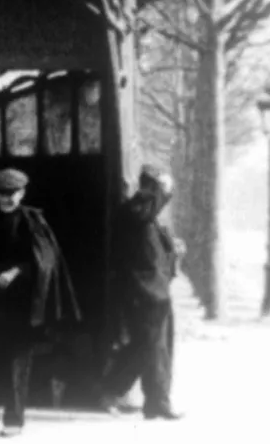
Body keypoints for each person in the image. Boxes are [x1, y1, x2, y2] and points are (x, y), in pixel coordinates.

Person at [0, 169, 81, 437]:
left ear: (22, 193)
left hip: (22, 305)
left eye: (12, 194)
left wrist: (16, 272)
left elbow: (46, 262)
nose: (6, 199)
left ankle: (14, 419)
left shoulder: (33, 222)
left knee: (17, 362)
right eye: (1, 194)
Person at [98, 165, 183, 420]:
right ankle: (115, 391)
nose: (167, 194)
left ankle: (155, 402)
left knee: (157, 347)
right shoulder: (136, 208)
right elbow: (145, 213)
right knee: (147, 346)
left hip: (155, 291)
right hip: (142, 291)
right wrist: (156, 191)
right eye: (163, 189)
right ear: (152, 188)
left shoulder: (146, 212)